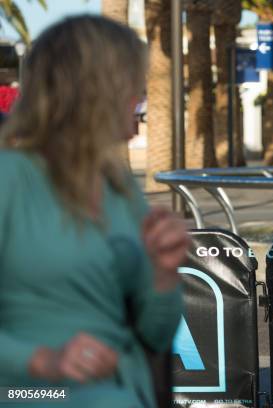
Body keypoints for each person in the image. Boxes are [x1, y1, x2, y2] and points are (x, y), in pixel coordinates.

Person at [0, 16, 189, 407]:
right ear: (95, 93)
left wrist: (164, 271)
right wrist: (44, 362)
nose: (138, 115)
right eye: (133, 95)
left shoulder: (117, 186)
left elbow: (156, 334)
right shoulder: (11, 176)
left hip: (126, 393)